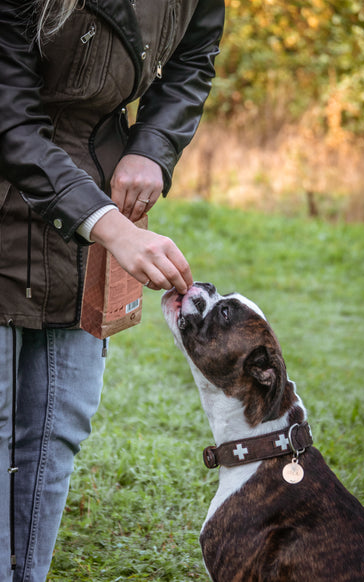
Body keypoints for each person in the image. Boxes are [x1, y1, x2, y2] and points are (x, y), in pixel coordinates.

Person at [0, 0, 225, 580]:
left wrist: (152, 146)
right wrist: (109, 225)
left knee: (56, 434)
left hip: (84, 213)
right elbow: (10, 120)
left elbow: (193, 59)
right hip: (38, 195)